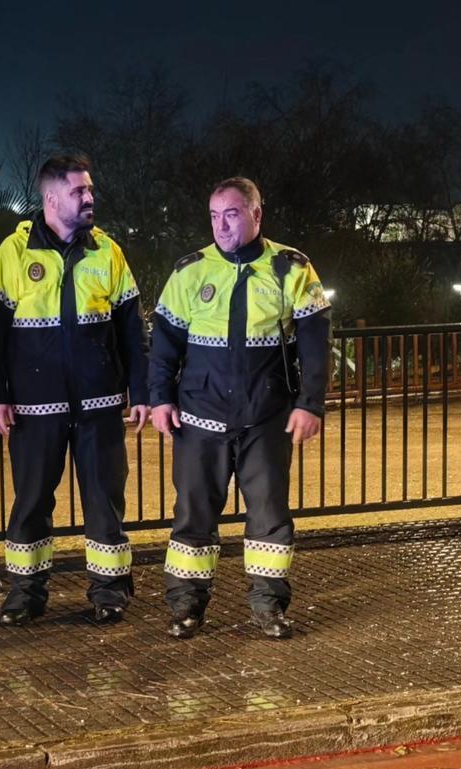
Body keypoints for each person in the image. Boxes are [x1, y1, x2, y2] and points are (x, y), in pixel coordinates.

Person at [148, 176, 331, 640]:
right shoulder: (190, 270)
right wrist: (160, 399)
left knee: (269, 519)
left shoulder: (291, 268)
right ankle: (186, 607)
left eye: (231, 214)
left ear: (256, 214)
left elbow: (315, 343)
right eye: (214, 215)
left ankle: (269, 607)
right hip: (198, 418)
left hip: (266, 418)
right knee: (193, 516)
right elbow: (164, 345)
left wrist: (310, 404)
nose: (222, 225)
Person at [0, 154, 151, 626]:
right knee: (31, 500)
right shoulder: (13, 255)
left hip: (99, 406)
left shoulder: (108, 252)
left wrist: (142, 390)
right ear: (51, 198)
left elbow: (132, 331)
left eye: (89, 189)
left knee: (105, 500)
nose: (90, 197)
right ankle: (26, 592)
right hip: (34, 409)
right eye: (79, 191)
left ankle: (109, 590)